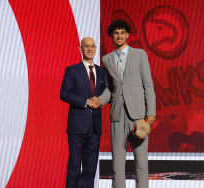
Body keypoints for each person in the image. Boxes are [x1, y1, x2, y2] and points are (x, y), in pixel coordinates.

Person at [92, 20, 156, 188]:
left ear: (127, 35)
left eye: (122, 32)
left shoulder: (140, 55)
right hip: (117, 116)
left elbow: (148, 85)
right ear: (111, 36)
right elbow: (109, 89)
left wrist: (151, 114)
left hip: (138, 117)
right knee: (117, 166)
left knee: (141, 164)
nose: (119, 36)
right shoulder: (106, 59)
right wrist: (99, 101)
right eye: (115, 33)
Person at [60, 37, 105, 188]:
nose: (90, 49)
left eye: (92, 46)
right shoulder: (72, 70)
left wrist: (100, 101)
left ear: (96, 48)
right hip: (77, 126)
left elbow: (105, 94)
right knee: (74, 166)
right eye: (86, 46)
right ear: (80, 49)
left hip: (95, 126)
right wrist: (86, 101)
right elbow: (64, 94)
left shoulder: (101, 71)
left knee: (90, 169)